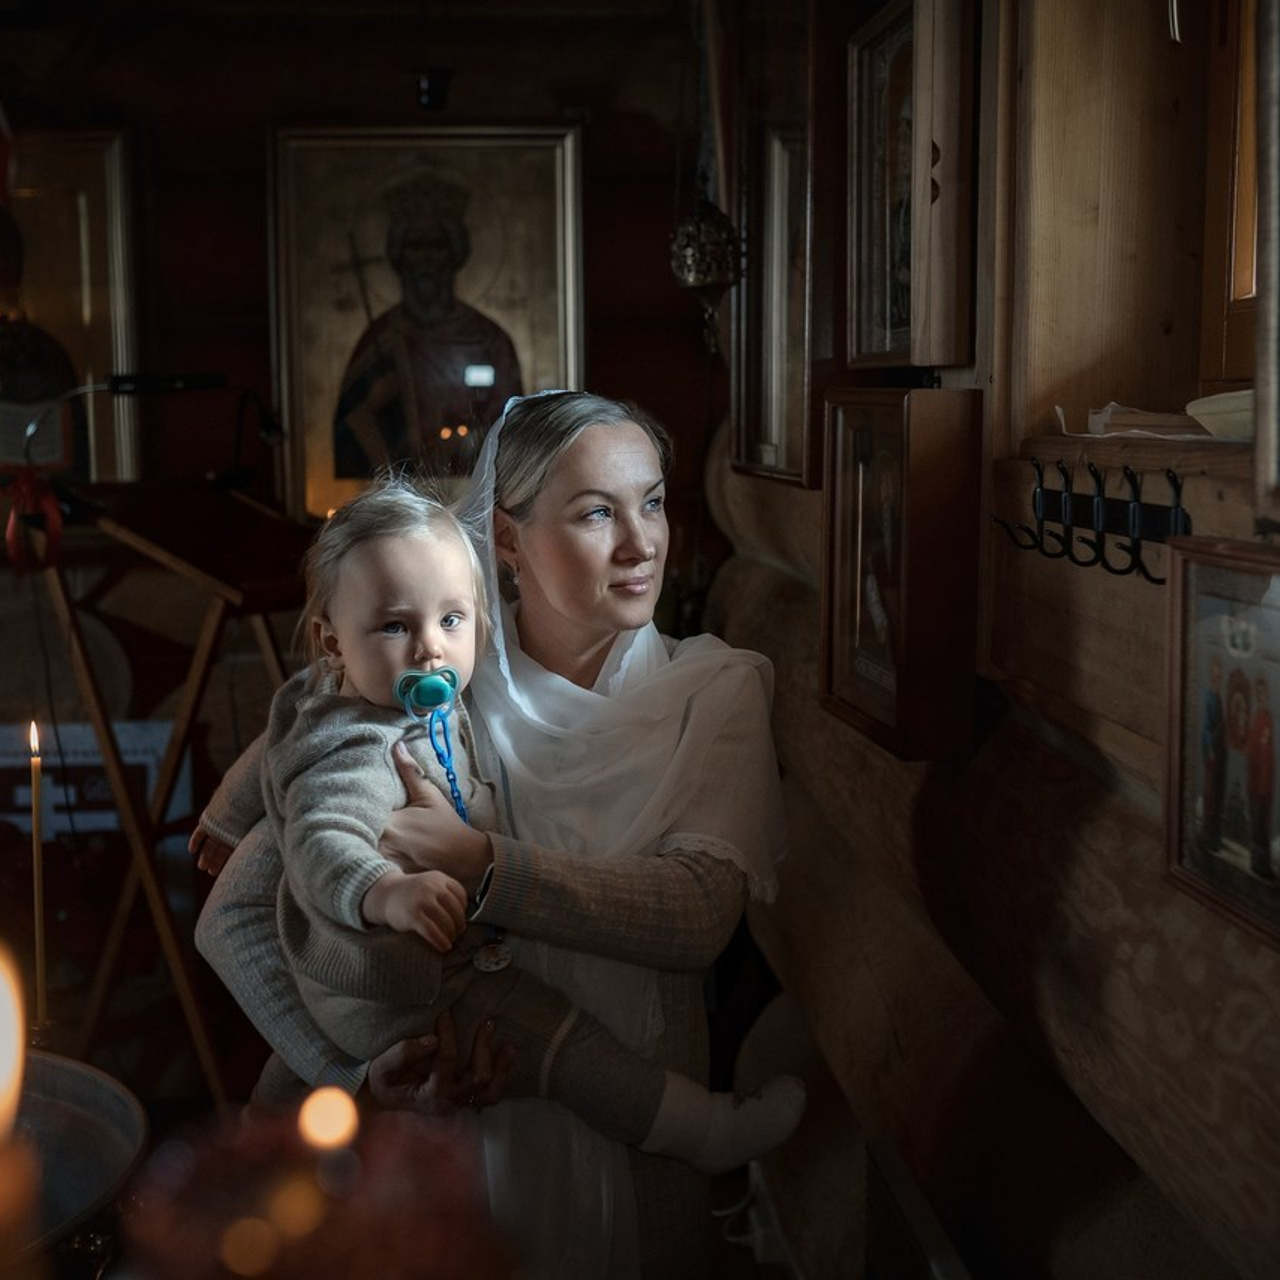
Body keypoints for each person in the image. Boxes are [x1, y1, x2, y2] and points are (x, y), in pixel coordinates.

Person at [196, 390, 792, 1278]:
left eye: (655, 501)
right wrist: (354, 1072)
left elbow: (695, 915)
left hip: (635, 1166)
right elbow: (235, 913)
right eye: (598, 512)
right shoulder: (434, 687)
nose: (643, 543)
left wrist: (479, 864)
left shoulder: (714, 693)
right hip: (454, 1157)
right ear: (506, 542)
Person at [332, 172, 522, 481]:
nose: (426, 259)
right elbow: (345, 436)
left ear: (454, 254)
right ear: (399, 256)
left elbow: (513, 434)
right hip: (403, 499)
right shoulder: (382, 339)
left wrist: (467, 441)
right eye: (415, 246)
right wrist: (373, 407)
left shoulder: (489, 339)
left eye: (437, 246)